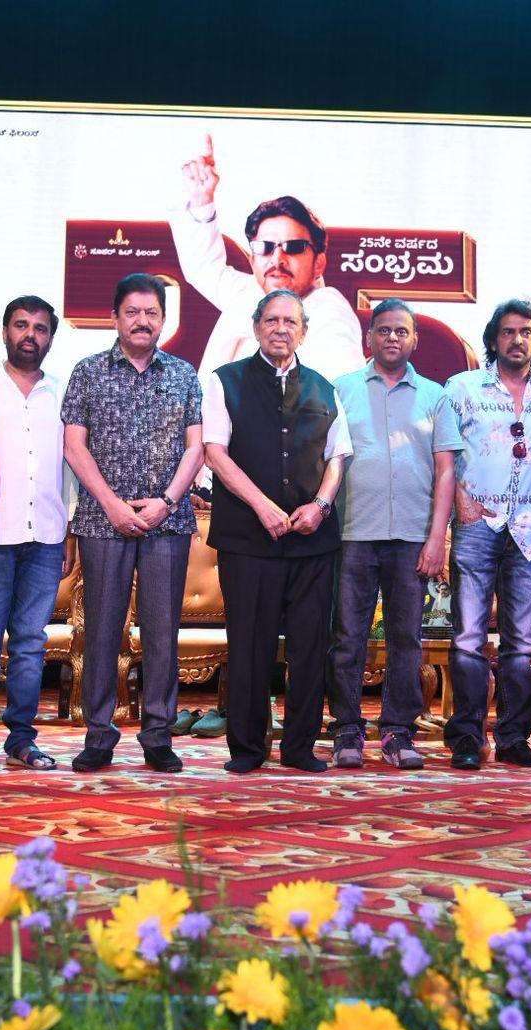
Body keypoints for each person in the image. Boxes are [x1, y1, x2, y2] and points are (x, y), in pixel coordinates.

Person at [62, 274, 203, 772]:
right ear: (115, 317)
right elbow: (74, 445)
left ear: (163, 319)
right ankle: (99, 735)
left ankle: (158, 736)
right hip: (104, 523)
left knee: (162, 633)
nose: (142, 321)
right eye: (132, 312)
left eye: (151, 313)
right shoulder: (88, 372)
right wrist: (111, 504)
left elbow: (196, 447)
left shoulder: (184, 374)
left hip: (168, 521)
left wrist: (166, 501)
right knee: (102, 631)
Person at [206, 289, 351, 774]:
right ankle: (248, 749)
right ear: (256, 327)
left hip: (313, 541)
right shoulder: (225, 381)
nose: (280, 329)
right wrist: (262, 506)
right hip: (248, 540)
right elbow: (215, 453)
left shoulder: (325, 388)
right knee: (250, 647)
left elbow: (338, 457)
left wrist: (321, 506)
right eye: (271, 320)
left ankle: (300, 747)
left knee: (310, 648)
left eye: (290, 321)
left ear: (303, 331)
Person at [327, 299, 460, 770]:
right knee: (348, 637)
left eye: (401, 331)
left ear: (414, 339)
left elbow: (447, 471)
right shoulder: (341, 390)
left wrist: (437, 537)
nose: (392, 338)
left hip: (411, 536)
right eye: (383, 330)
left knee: (406, 638)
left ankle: (398, 731)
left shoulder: (434, 396)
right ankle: (346, 729)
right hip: (351, 533)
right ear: (369, 338)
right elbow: (329, 461)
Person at [442, 299, 531, 771]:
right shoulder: (463, 387)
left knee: (521, 642)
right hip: (478, 523)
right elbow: (445, 453)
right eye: (508, 332)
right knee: (469, 638)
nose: (517, 340)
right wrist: (462, 503)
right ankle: (467, 739)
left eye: (526, 332)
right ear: (494, 340)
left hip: (529, 529)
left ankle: (514, 739)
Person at [0, 296, 72, 772]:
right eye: (21, 325)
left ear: (51, 338)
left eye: (40, 328)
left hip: (46, 535)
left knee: (30, 643)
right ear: (4, 332)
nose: (30, 335)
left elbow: (72, 468)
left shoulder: (62, 392)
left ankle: (22, 739)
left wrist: (70, 533)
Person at [172, 136, 364, 385]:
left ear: (319, 264)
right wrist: (201, 200)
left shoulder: (327, 312)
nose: (277, 259)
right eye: (265, 247)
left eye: (293, 247)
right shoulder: (249, 294)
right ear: (253, 259)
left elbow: (343, 390)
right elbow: (203, 268)